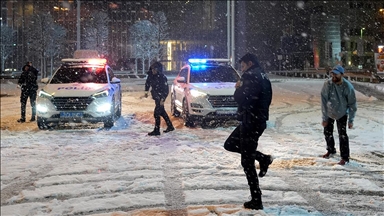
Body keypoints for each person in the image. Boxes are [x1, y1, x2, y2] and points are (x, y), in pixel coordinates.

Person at [224, 53, 273, 210]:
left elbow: (241, 98)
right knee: (230, 144)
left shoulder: (250, 76)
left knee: (247, 162)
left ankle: (256, 200)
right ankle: (262, 158)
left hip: (250, 122)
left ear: (250, 63)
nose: (242, 68)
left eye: (243, 65)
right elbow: (266, 97)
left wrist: (238, 88)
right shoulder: (263, 76)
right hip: (256, 120)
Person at [321, 65, 357, 165]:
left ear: (342, 74)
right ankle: (330, 150)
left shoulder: (347, 86)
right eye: (333, 74)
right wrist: (324, 117)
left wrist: (351, 120)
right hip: (329, 112)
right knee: (327, 133)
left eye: (336, 74)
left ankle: (345, 157)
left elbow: (352, 103)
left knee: (342, 135)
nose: (334, 76)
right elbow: (323, 101)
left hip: (342, 112)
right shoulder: (328, 84)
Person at [144, 62, 174, 136]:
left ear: (158, 70)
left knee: (156, 113)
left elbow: (166, 89)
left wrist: (163, 99)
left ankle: (157, 130)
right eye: (153, 69)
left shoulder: (162, 77)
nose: (153, 71)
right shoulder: (151, 75)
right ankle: (170, 126)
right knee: (162, 112)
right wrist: (146, 91)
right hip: (156, 96)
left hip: (160, 97)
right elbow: (147, 83)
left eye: (155, 69)